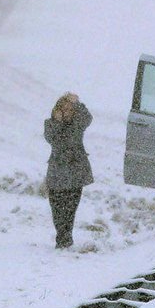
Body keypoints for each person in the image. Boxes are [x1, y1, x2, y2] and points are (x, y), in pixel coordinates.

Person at [43, 92, 93, 249]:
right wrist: (57, 121)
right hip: (57, 173)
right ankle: (62, 238)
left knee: (70, 209)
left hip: (75, 171)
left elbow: (88, 118)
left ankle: (65, 239)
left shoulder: (77, 124)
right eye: (64, 109)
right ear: (57, 110)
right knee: (57, 208)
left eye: (71, 109)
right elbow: (52, 139)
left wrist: (78, 103)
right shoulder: (51, 124)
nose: (67, 112)